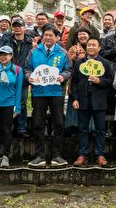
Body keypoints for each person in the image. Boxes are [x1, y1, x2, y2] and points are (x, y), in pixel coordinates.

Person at [25, 26, 72, 168]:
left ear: (57, 37)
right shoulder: (34, 51)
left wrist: (63, 77)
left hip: (57, 92)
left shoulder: (63, 52)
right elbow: (27, 69)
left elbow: (69, 69)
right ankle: (39, 155)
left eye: (51, 35)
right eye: (45, 35)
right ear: (42, 36)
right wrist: (30, 77)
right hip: (39, 92)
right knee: (39, 124)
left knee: (58, 124)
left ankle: (57, 155)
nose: (48, 38)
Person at [71, 38, 113, 166]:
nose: (91, 47)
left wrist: (99, 81)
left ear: (99, 48)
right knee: (82, 129)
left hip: (99, 100)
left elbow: (110, 82)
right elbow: (74, 82)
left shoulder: (105, 63)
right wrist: (75, 98)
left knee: (100, 129)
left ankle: (100, 155)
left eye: (94, 45)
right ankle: (83, 155)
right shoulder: (79, 63)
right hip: (83, 100)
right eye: (89, 45)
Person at [0, 19, 35, 138]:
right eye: (15, 26)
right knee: (8, 102)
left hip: (23, 76)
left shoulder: (30, 42)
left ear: (24, 28)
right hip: (8, 75)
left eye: (20, 26)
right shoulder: (6, 40)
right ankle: (9, 127)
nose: (17, 28)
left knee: (22, 103)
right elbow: (1, 55)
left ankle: (22, 128)